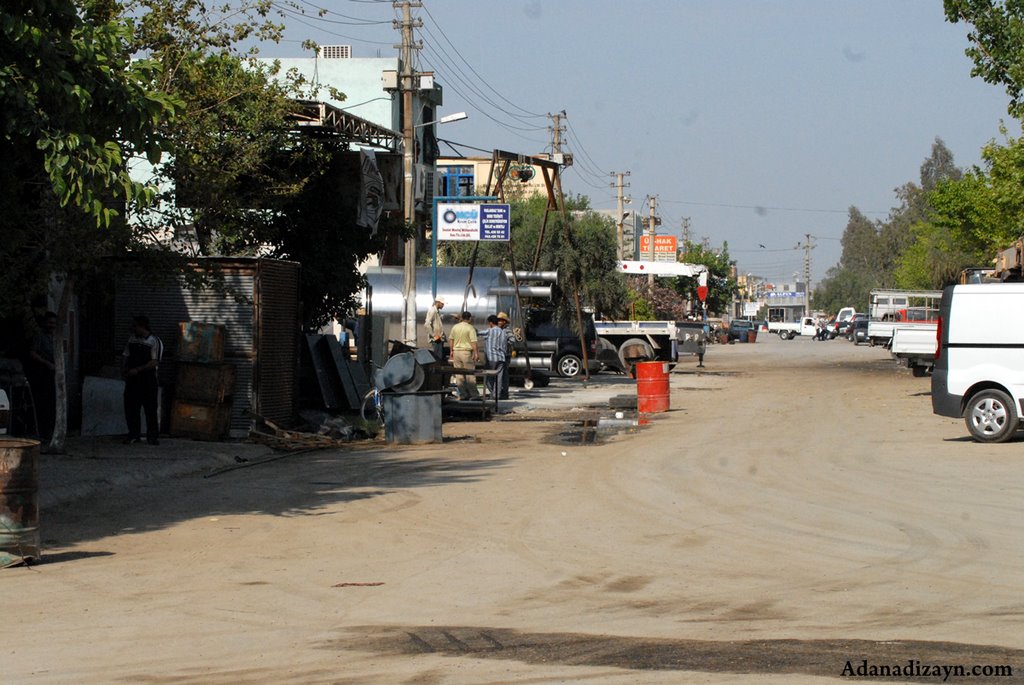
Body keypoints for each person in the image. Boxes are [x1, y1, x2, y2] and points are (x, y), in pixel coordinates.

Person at [122, 315, 163, 445]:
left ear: (142, 326)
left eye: (135, 326)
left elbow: (155, 362)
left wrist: (138, 370)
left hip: (148, 380)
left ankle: (152, 436)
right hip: (132, 380)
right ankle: (134, 434)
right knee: (131, 408)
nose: (133, 329)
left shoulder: (154, 341)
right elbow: (126, 355)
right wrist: (124, 369)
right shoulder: (132, 339)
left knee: (150, 409)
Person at [26, 312, 57, 440]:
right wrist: (46, 363)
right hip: (42, 373)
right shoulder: (40, 336)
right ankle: (43, 432)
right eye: (50, 323)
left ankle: (50, 431)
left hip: (53, 373)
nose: (52, 326)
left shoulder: (54, 336)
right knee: (43, 403)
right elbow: (32, 353)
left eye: (54, 323)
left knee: (52, 403)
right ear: (45, 323)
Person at [449, 310, 480, 399]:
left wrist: (451, 351)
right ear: (469, 319)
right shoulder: (470, 328)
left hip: (456, 352)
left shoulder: (455, 327)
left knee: (459, 375)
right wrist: (476, 353)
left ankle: (463, 394)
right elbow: (473, 341)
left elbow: (451, 339)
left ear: (462, 318)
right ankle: (474, 395)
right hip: (466, 352)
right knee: (470, 374)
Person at [485, 311, 512, 400]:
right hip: (497, 356)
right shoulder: (494, 330)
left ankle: (502, 393)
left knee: (503, 376)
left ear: (504, 321)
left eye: (501, 320)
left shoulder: (506, 330)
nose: (499, 322)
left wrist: (504, 343)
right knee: (494, 376)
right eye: (498, 320)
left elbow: (513, 340)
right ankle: (495, 393)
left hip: (505, 355)